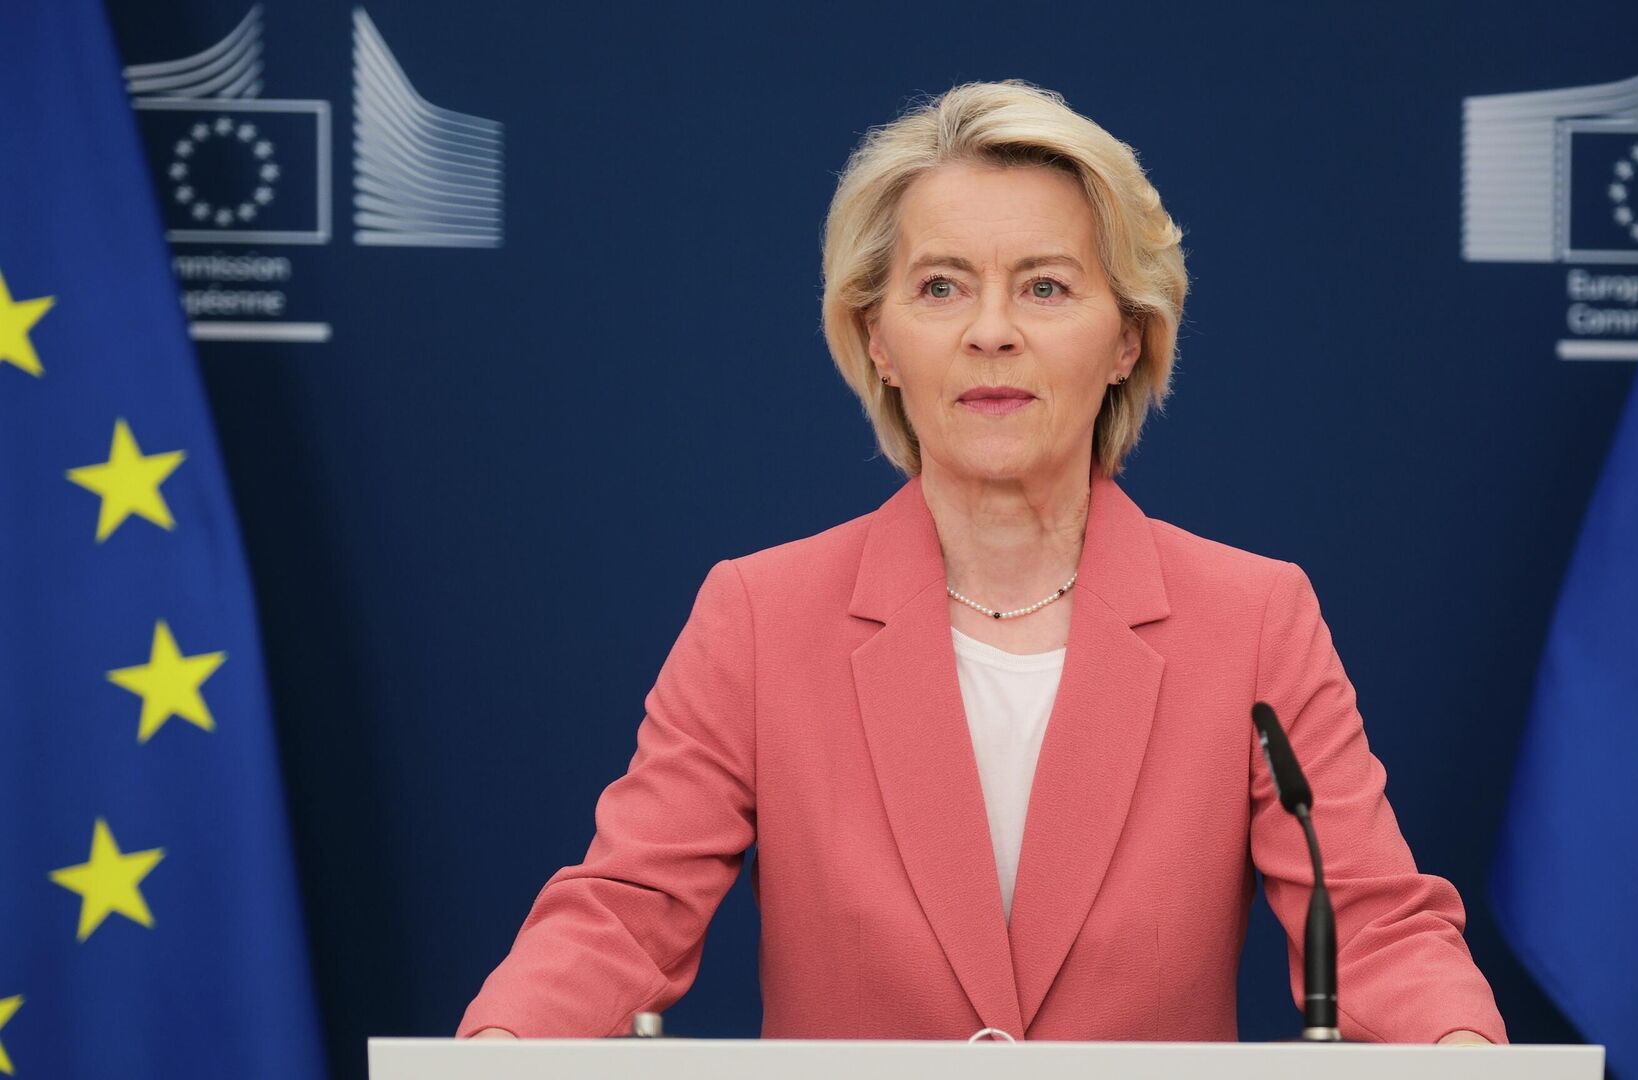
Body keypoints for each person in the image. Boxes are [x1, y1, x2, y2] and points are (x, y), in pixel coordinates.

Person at [461, 80, 1504, 1044]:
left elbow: (1373, 928)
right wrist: (498, 1049)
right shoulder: (761, 616)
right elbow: (625, 912)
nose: (991, 332)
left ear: (1127, 339)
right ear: (877, 339)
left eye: (1045, 288)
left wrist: (1461, 1049)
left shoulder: (1252, 618)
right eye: (942, 287)